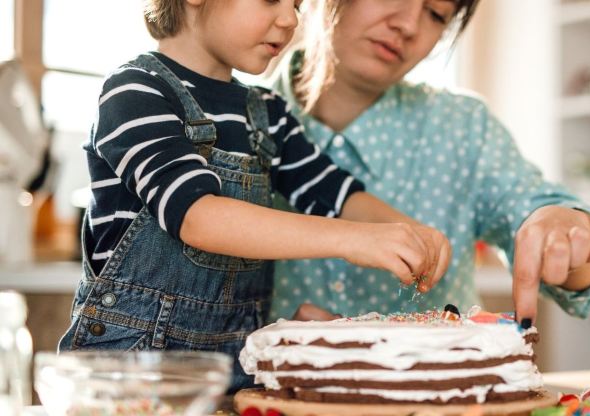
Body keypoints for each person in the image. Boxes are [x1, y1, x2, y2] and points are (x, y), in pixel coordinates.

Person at [57, 0, 451, 391]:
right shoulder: (135, 92)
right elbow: (198, 217)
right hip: (127, 372)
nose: (290, 20)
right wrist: (354, 239)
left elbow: (336, 194)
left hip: (236, 369)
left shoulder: (268, 115)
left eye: (297, 5)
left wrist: (411, 232)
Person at [270, 0, 590, 325]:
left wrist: (570, 238)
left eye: (437, 13)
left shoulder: (463, 127)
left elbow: (541, 218)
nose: (409, 25)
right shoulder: (230, 124)